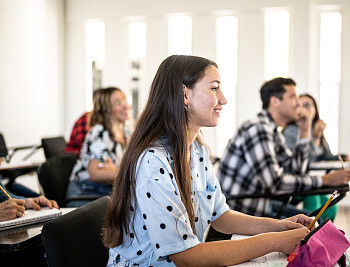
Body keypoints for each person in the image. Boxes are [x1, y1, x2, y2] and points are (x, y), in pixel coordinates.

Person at [103, 55, 316, 266]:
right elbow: (186, 256)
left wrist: (279, 227)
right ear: (185, 94)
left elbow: (221, 216)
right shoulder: (153, 162)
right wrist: (275, 241)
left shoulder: (197, 149)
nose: (223, 99)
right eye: (215, 88)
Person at [218, 77, 350, 218]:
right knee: (313, 226)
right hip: (240, 212)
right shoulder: (258, 129)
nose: (298, 104)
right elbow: (276, 184)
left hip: (260, 203)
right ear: (275, 101)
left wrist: (304, 130)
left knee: (316, 222)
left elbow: (296, 171)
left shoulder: (274, 132)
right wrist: (325, 180)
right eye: (293, 97)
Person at [282, 93, 350, 221]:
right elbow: (303, 164)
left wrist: (345, 160)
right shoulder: (291, 131)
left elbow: (326, 156)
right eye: (301, 105)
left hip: (312, 181)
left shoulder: (316, 129)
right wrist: (315, 137)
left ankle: (322, 236)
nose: (304, 108)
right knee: (313, 199)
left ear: (315, 109)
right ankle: (308, 234)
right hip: (297, 183)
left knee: (331, 207)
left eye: (308, 105)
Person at [66, 87, 131, 207]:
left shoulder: (126, 132)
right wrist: (126, 173)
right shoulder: (98, 131)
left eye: (125, 101)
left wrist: (116, 171)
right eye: (118, 103)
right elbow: (96, 173)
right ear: (105, 109)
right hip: (86, 193)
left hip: (106, 193)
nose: (125, 106)